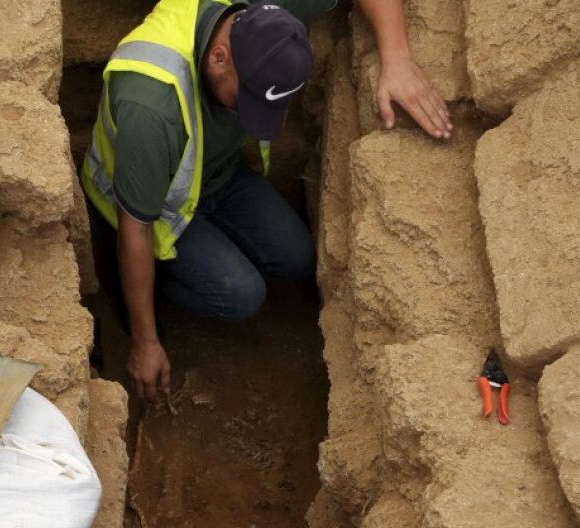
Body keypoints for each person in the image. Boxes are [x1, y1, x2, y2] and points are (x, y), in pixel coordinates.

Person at [82, 0, 452, 402]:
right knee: (240, 294)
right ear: (220, 57)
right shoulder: (151, 107)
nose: (252, 114)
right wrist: (145, 342)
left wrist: (396, 57)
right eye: (247, 100)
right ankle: (151, 285)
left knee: (295, 255)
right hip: (155, 207)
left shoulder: (261, 19)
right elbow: (136, 226)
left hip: (216, 175)